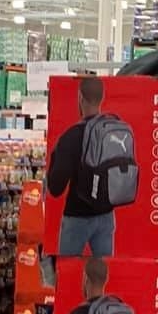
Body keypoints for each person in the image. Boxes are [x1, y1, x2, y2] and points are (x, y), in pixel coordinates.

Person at [46, 75, 118, 258]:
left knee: (67, 273)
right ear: (102, 97)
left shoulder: (70, 137)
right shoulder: (112, 131)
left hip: (76, 217)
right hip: (106, 215)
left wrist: (54, 158)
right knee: (103, 272)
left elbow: (55, 188)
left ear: (80, 97)